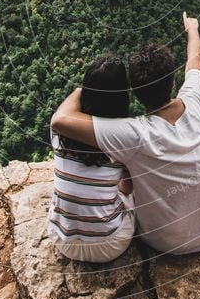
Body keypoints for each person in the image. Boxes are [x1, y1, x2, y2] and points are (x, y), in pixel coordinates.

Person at [51, 13, 200, 255]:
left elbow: (60, 121)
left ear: (134, 92)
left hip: (165, 243)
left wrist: (85, 88)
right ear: (173, 79)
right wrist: (192, 29)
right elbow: (195, 59)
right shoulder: (195, 98)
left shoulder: (132, 134)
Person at [48, 54, 135, 263]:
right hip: (110, 246)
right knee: (134, 197)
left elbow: (61, 115)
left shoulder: (59, 134)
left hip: (63, 241)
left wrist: (86, 89)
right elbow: (127, 188)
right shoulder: (123, 139)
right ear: (122, 96)